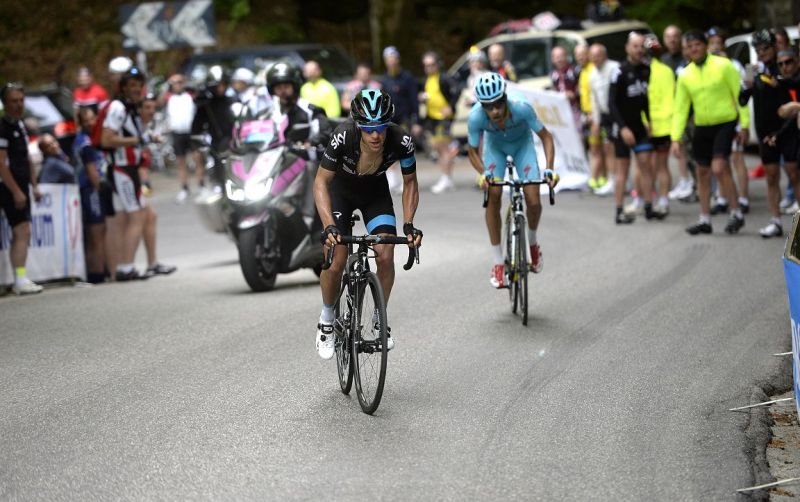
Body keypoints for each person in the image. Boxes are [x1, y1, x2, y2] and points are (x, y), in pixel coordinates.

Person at [314, 89, 423, 359]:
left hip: (375, 193)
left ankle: (379, 317)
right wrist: (329, 226)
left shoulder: (401, 140)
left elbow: (410, 182)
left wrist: (409, 225)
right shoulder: (343, 136)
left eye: (381, 128)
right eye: (368, 129)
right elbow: (321, 183)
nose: (375, 135)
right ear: (358, 126)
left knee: (385, 254)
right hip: (340, 193)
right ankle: (326, 319)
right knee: (336, 261)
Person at [466, 72, 556, 288]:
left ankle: (532, 243)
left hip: (522, 146)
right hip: (495, 148)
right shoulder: (475, 117)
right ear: (482, 106)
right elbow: (472, 151)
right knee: (493, 194)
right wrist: (483, 173)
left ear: (505, 98)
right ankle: (498, 262)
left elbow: (546, 137)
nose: (495, 111)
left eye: (498, 104)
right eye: (488, 107)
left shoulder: (522, 108)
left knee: (533, 200)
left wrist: (550, 169)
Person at [671, 31, 749, 235]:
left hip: (725, 122)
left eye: (697, 44)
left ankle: (736, 212)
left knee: (719, 167)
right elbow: (680, 108)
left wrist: (745, 124)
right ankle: (704, 219)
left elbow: (739, 95)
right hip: (702, 126)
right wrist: (675, 137)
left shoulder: (723, 65)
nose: (694, 49)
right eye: (690, 46)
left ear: (705, 45)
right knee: (702, 172)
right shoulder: (685, 74)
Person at [741, 31, 798, 238]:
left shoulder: (784, 64)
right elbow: (742, 99)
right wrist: (747, 84)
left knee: (794, 173)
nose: (761, 53)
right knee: (771, 176)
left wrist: (778, 81)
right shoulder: (752, 70)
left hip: (787, 129)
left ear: (774, 47)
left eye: (765, 48)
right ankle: (775, 221)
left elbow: (794, 85)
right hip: (765, 132)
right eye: (757, 50)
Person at [101, 67, 150, 280]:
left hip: (128, 168)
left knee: (124, 219)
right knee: (137, 216)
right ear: (123, 88)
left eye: (139, 85)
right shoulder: (118, 107)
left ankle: (121, 267)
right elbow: (106, 139)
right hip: (122, 168)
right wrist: (137, 140)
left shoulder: (130, 107)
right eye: (132, 85)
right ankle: (126, 267)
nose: (137, 89)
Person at [608, 32, 660, 224]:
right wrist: (622, 128)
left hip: (639, 126)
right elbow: (611, 103)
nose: (639, 50)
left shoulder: (646, 69)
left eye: (641, 46)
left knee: (646, 164)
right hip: (622, 127)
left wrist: (649, 120)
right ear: (627, 48)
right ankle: (619, 210)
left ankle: (648, 207)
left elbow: (644, 99)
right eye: (635, 46)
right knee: (623, 169)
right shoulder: (619, 71)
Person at [0, 83, 43, 294]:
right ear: (5, 103)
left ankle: (20, 278)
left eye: (21, 100)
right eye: (13, 101)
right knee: (21, 230)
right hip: (7, 186)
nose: (18, 105)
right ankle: (19, 279)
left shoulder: (21, 125)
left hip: (23, 184)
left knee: (23, 230)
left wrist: (34, 185)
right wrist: (16, 191)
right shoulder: (3, 127)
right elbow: (1, 163)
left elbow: (27, 158)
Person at [707, 27, 751, 216]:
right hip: (714, 121)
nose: (716, 46)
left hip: (734, 119)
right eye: (712, 43)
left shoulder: (734, 65)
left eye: (719, 43)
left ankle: (743, 198)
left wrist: (744, 123)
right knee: (719, 160)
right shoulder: (704, 66)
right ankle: (722, 197)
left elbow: (742, 93)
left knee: (737, 157)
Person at [137, 95, 177, 276]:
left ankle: (152, 262)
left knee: (150, 216)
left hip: (140, 178)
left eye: (153, 108)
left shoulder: (146, 128)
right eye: (147, 107)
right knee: (142, 218)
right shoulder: (135, 127)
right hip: (130, 179)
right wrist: (143, 181)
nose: (151, 111)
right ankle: (124, 266)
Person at [74, 107, 109, 284]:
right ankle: (97, 272)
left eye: (91, 119)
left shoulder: (91, 138)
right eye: (85, 120)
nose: (90, 123)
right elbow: (92, 172)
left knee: (96, 232)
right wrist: (101, 191)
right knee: (96, 231)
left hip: (90, 190)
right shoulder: (86, 143)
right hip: (91, 190)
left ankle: (99, 268)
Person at [263, 61, 333, 147]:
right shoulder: (267, 113)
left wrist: (310, 143)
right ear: (272, 90)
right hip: (273, 153)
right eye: (278, 88)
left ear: (295, 86)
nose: (283, 91)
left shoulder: (311, 111)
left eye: (286, 87)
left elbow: (326, 134)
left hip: (302, 154)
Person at [419, 51, 459, 194]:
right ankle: (446, 178)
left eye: (431, 65)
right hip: (433, 118)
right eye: (426, 65)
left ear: (437, 64)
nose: (429, 68)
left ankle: (446, 178)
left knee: (443, 147)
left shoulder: (444, 78)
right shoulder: (426, 80)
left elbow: (457, 91)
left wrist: (451, 107)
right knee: (438, 147)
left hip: (444, 118)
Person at [380, 46, 419, 193]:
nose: (392, 62)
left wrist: (416, 122)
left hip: (404, 119)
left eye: (394, 58)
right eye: (389, 59)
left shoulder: (407, 78)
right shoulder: (384, 79)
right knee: (387, 149)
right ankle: (392, 178)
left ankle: (407, 180)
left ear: (398, 59)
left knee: (404, 149)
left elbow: (414, 100)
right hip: (389, 119)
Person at [190, 65, 235, 189]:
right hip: (217, 146)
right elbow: (196, 127)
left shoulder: (232, 101)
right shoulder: (206, 105)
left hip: (235, 144)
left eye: (223, 84)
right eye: (218, 85)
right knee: (220, 173)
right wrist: (197, 140)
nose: (221, 88)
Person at [645, 35, 675, 216]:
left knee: (645, 166)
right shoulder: (667, 71)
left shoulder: (642, 71)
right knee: (662, 165)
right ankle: (663, 201)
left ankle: (646, 201)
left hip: (647, 125)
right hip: (664, 125)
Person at [589, 43, 619, 196]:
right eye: (593, 56)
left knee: (620, 149)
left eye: (598, 55)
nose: (595, 59)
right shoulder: (592, 74)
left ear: (604, 55)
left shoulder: (615, 68)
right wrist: (596, 121)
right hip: (605, 116)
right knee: (608, 148)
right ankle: (612, 179)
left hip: (619, 114)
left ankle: (621, 178)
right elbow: (594, 99)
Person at [165, 74, 197, 203]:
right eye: (174, 83)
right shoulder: (170, 98)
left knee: (197, 158)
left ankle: (201, 185)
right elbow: (158, 102)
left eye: (179, 82)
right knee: (181, 162)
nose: (177, 85)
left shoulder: (189, 96)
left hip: (191, 132)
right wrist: (166, 87)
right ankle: (184, 188)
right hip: (177, 133)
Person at [551, 46, 581, 135]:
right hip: (561, 113)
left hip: (576, 110)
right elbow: (554, 90)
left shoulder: (575, 71)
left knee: (578, 137)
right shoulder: (553, 74)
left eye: (561, 56)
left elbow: (584, 89)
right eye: (556, 57)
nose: (559, 60)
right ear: (553, 59)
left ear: (566, 56)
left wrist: (574, 94)